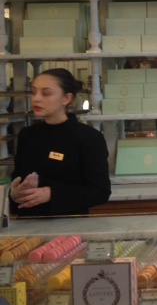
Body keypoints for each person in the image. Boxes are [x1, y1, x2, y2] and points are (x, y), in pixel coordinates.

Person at [10, 68, 111, 217]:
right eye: (34, 92)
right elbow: (17, 178)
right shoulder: (27, 134)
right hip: (28, 222)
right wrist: (15, 192)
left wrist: (52, 194)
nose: (36, 98)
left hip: (70, 223)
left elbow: (100, 192)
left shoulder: (88, 138)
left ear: (66, 99)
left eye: (46, 93)